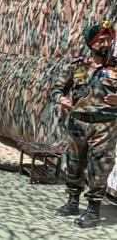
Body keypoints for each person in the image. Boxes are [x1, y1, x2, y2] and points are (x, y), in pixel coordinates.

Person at [50, 20, 117, 228]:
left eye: (109, 39)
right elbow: (56, 88)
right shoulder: (76, 66)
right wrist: (62, 99)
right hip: (77, 124)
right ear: (91, 44)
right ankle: (72, 202)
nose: (106, 44)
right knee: (74, 162)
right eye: (101, 40)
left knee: (100, 166)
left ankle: (93, 211)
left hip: (105, 126)